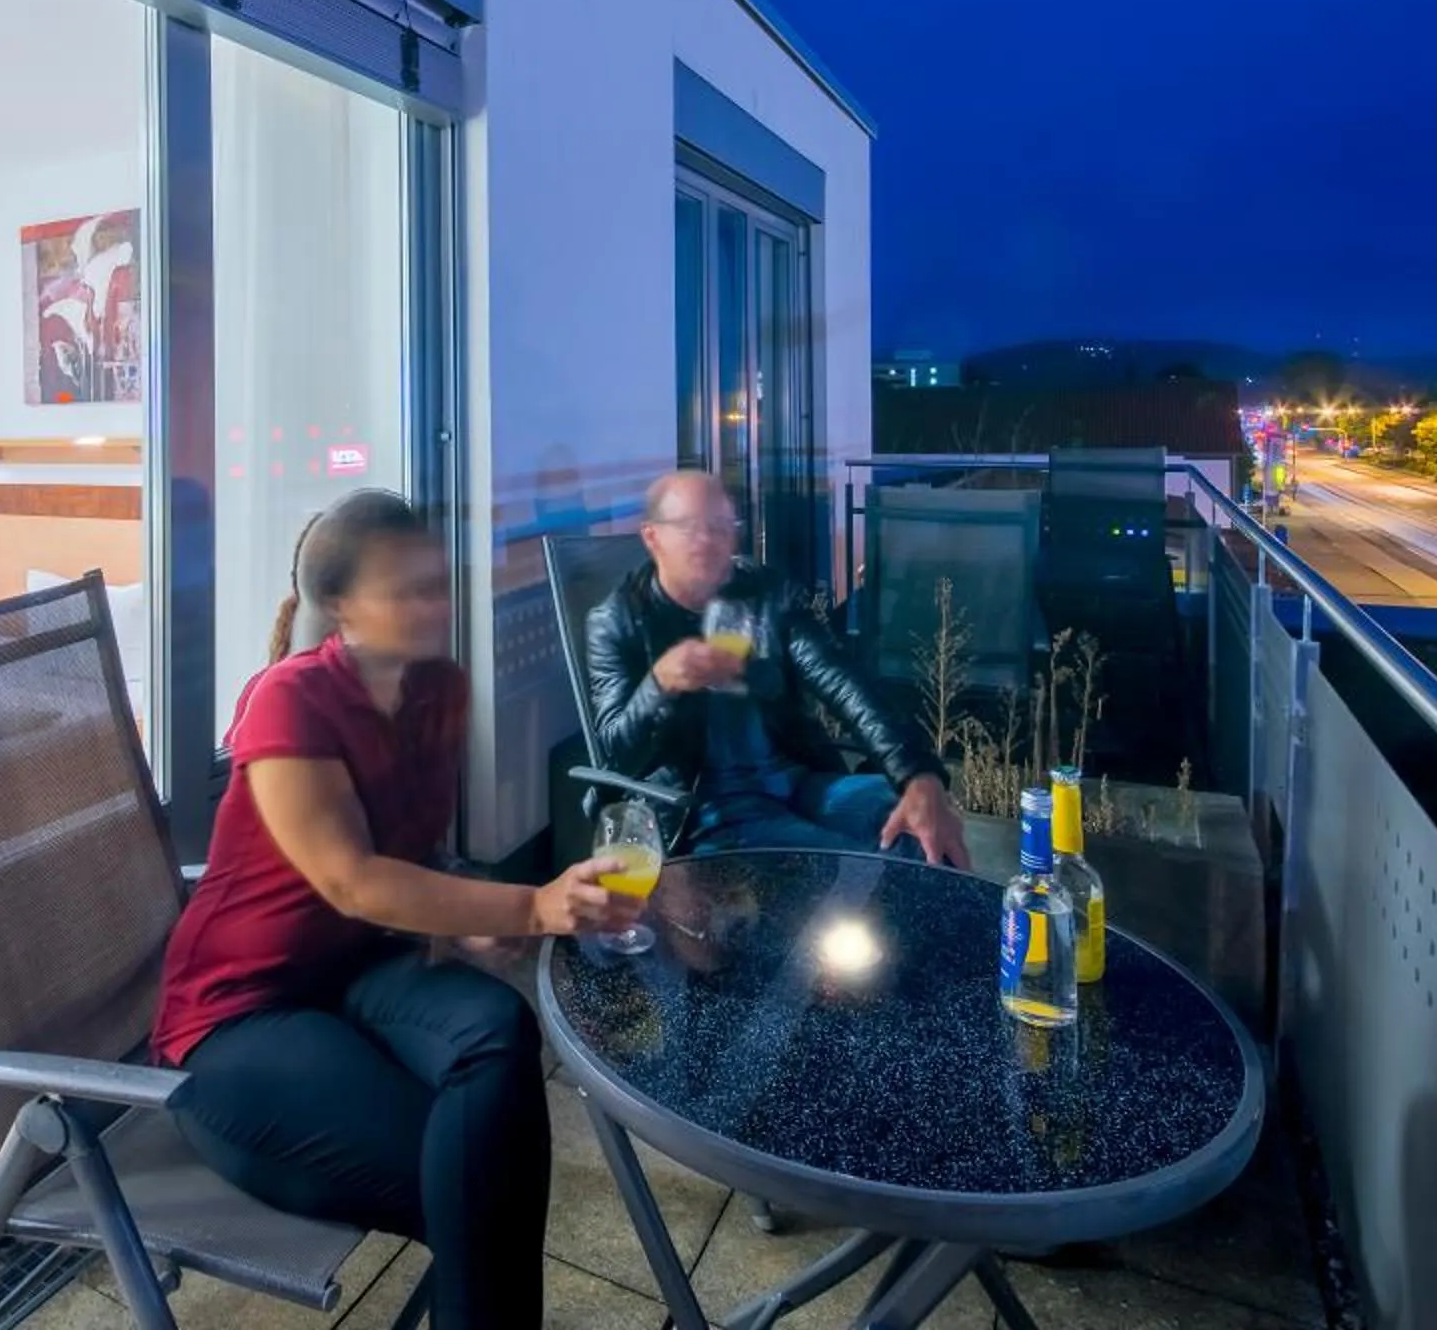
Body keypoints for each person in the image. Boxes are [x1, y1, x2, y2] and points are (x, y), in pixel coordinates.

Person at [155, 492, 622, 1330]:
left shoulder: (439, 690)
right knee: (482, 1174)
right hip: (239, 1016)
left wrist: (460, 915)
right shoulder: (289, 698)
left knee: (498, 1028)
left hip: (356, 973)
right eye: (405, 591)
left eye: (436, 585)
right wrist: (533, 904)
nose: (434, 606)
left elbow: (412, 852)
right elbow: (352, 880)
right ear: (341, 606)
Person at [585, 470, 971, 867]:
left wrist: (916, 774)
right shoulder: (617, 621)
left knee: (918, 824)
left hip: (797, 782)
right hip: (706, 810)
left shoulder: (763, 592)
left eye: (720, 527)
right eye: (689, 527)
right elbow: (617, 755)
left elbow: (842, 681)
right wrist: (660, 683)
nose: (707, 541)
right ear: (652, 537)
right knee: (857, 863)